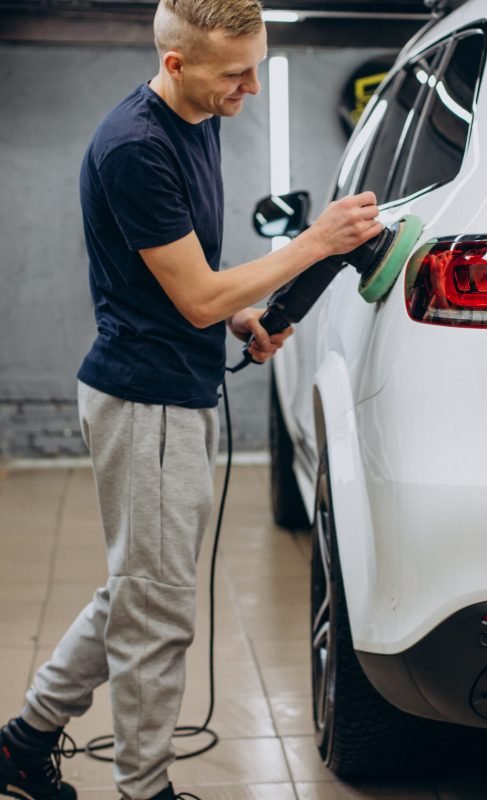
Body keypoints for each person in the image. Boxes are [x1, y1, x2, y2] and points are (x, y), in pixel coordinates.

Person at [0, 2, 382, 800]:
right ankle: (145, 790)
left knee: (138, 591)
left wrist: (245, 310)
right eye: (233, 75)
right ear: (176, 65)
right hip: (147, 406)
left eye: (257, 66)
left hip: (174, 392)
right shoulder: (136, 146)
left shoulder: (199, 117)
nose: (249, 89)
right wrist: (313, 243)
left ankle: (23, 739)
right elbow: (199, 297)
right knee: (158, 614)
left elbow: (197, 280)